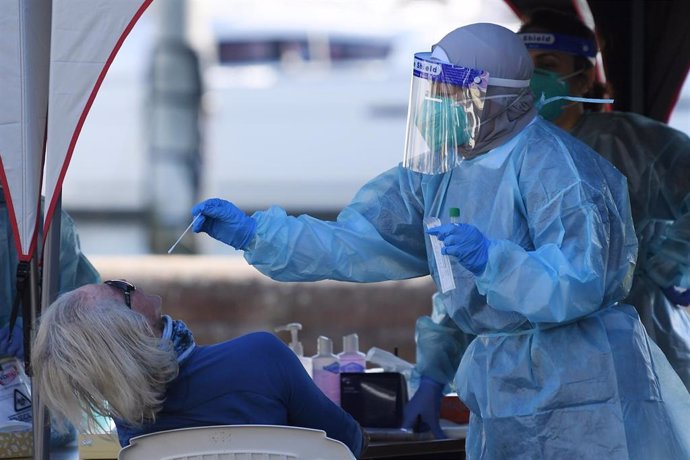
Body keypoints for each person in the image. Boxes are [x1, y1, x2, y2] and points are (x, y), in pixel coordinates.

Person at [191, 23, 690, 458]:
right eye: (435, 91)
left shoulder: (562, 170)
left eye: (454, 93)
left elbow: (577, 282)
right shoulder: (441, 172)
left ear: (501, 98)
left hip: (589, 394)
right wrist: (258, 234)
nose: (440, 106)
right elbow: (356, 241)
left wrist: (497, 261)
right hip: (501, 395)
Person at [518, 8, 690, 390]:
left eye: (546, 65)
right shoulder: (506, 159)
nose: (530, 80)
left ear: (582, 78)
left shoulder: (631, 145)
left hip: (637, 337)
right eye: (521, 67)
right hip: (540, 358)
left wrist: (671, 263)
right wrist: (434, 369)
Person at [31, 280, 366, 457]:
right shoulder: (261, 356)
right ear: (134, 326)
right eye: (118, 287)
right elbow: (349, 443)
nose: (128, 282)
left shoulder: (130, 419)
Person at [0, 185, 100, 447]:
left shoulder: (47, 221)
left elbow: (87, 311)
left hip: (47, 424)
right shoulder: (46, 219)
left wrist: (42, 331)